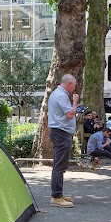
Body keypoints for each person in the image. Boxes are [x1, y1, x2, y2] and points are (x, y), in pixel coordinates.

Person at [48, 74, 79, 208]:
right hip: (61, 133)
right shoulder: (61, 95)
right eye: (74, 86)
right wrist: (75, 102)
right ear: (69, 83)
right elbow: (70, 114)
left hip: (60, 132)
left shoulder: (58, 94)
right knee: (59, 166)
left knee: (60, 165)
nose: (74, 89)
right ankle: (56, 197)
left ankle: (58, 194)